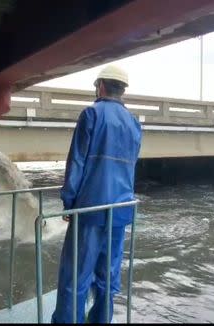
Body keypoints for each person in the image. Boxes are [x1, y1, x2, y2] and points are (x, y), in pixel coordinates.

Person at [51, 65, 142, 323]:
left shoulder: (91, 114)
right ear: (122, 90)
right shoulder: (134, 123)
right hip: (120, 211)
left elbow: (77, 162)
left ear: (100, 85)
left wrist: (69, 201)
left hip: (90, 209)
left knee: (76, 276)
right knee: (108, 276)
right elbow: (130, 165)